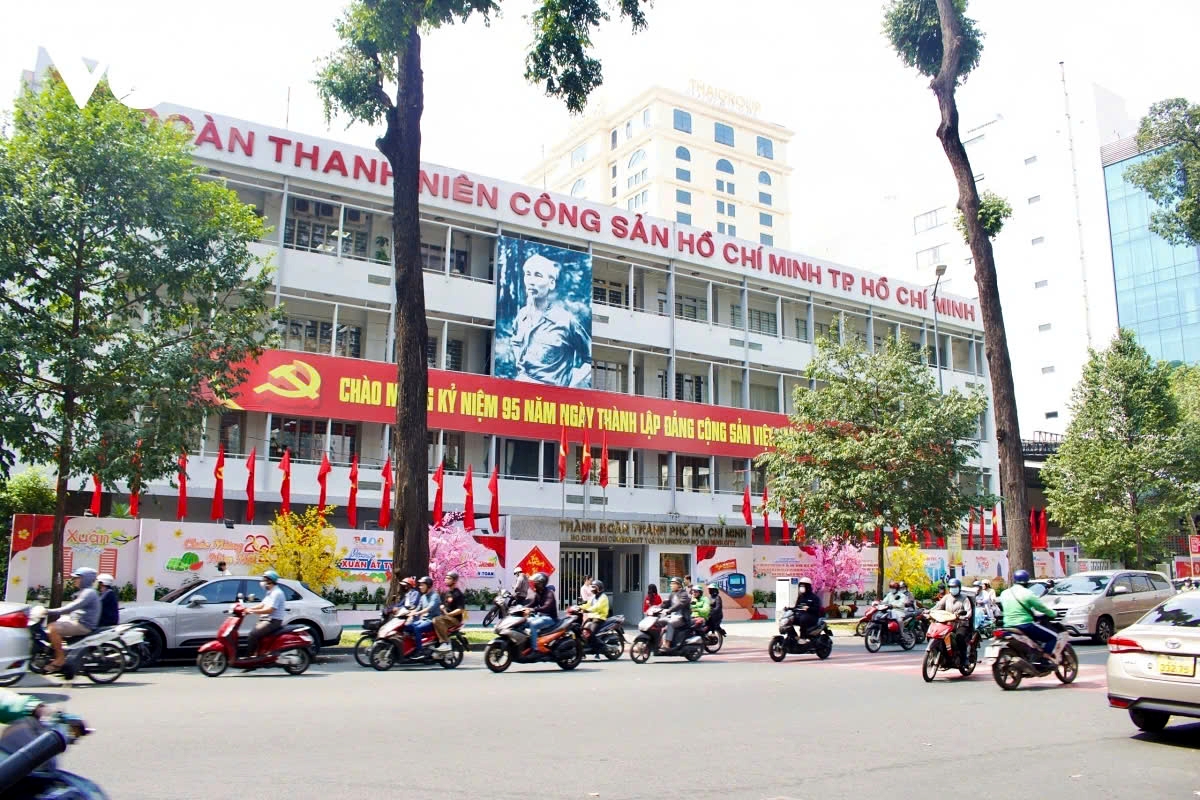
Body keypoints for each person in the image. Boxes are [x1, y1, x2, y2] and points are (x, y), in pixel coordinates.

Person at [509, 253, 592, 388]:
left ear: (551, 283)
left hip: (552, 399)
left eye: (538, 275)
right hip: (522, 392)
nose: (531, 280)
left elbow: (589, 358)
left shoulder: (565, 321)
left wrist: (573, 382)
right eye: (528, 274)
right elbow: (515, 341)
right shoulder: (522, 315)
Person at [999, 569, 1060, 667]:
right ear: (1027, 581)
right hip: (1025, 625)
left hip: (1008, 625)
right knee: (1053, 637)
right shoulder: (1028, 593)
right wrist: (1053, 614)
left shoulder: (1004, 593)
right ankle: (1044, 661)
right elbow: (1041, 607)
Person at [45, 567, 101, 671]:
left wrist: (48, 611)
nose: (74, 580)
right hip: (76, 621)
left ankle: (60, 659)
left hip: (83, 625)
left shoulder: (89, 593)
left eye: (77, 578)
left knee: (53, 628)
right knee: (53, 626)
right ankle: (58, 652)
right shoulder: (83, 591)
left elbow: (71, 608)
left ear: (86, 579)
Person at [241, 569, 286, 660]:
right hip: (267, 620)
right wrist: (248, 608)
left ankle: (250, 659)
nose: (262, 582)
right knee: (256, 633)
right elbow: (262, 604)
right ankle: (258, 654)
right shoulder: (270, 592)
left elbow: (270, 610)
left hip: (273, 621)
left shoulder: (277, 593)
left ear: (270, 580)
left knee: (253, 634)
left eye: (264, 580)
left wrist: (253, 612)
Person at [932, 578, 973, 662]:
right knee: (937, 634)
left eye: (955, 587)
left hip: (961, 624)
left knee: (959, 637)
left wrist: (964, 616)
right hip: (948, 623)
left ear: (959, 587)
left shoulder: (964, 598)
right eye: (951, 587)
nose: (953, 589)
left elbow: (969, 612)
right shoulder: (946, 597)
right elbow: (938, 607)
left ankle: (964, 657)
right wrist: (929, 611)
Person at [523, 572, 558, 654]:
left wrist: (534, 610)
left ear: (541, 583)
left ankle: (535, 649)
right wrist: (522, 608)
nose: (534, 584)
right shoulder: (538, 592)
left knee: (533, 625)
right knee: (523, 622)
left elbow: (546, 607)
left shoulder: (549, 593)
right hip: (540, 616)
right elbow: (532, 603)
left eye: (536, 583)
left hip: (550, 618)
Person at [433, 571, 466, 652]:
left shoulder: (458, 594)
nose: (446, 580)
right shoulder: (448, 593)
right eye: (446, 578)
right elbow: (446, 605)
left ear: (454, 581)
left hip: (455, 619)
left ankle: (445, 643)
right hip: (446, 617)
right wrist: (442, 606)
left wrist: (449, 614)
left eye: (449, 578)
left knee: (436, 620)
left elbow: (461, 609)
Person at [409, 576, 441, 651]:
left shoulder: (435, 596)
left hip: (432, 621)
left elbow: (429, 608)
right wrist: (410, 612)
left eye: (422, 585)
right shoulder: (423, 597)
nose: (420, 587)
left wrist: (417, 613)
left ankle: (419, 651)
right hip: (423, 620)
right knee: (408, 626)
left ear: (429, 586)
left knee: (417, 629)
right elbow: (418, 608)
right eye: (420, 585)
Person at [662, 577, 692, 649]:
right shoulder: (672, 594)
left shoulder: (684, 594)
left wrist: (669, 610)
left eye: (673, 584)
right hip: (673, 616)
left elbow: (680, 604)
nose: (670, 585)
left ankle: (667, 644)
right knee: (659, 622)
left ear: (678, 585)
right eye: (671, 584)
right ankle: (659, 642)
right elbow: (666, 604)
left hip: (682, 617)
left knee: (670, 623)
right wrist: (656, 608)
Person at [580, 580, 609, 650]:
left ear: (599, 588)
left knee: (591, 633)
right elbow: (587, 604)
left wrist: (588, 610)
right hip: (592, 617)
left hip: (599, 618)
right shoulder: (593, 597)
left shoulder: (603, 597)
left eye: (594, 587)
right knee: (582, 630)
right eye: (592, 587)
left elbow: (597, 607)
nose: (592, 589)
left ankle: (599, 648)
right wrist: (579, 607)